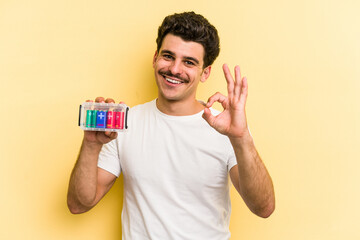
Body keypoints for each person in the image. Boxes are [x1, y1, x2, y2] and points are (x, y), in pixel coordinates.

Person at [67, 11, 275, 239]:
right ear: (155, 58)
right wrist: (91, 145)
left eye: (189, 62)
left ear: (205, 73)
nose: (175, 69)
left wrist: (241, 138)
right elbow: (79, 204)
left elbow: (263, 208)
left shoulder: (227, 128)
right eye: (168, 56)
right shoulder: (126, 123)